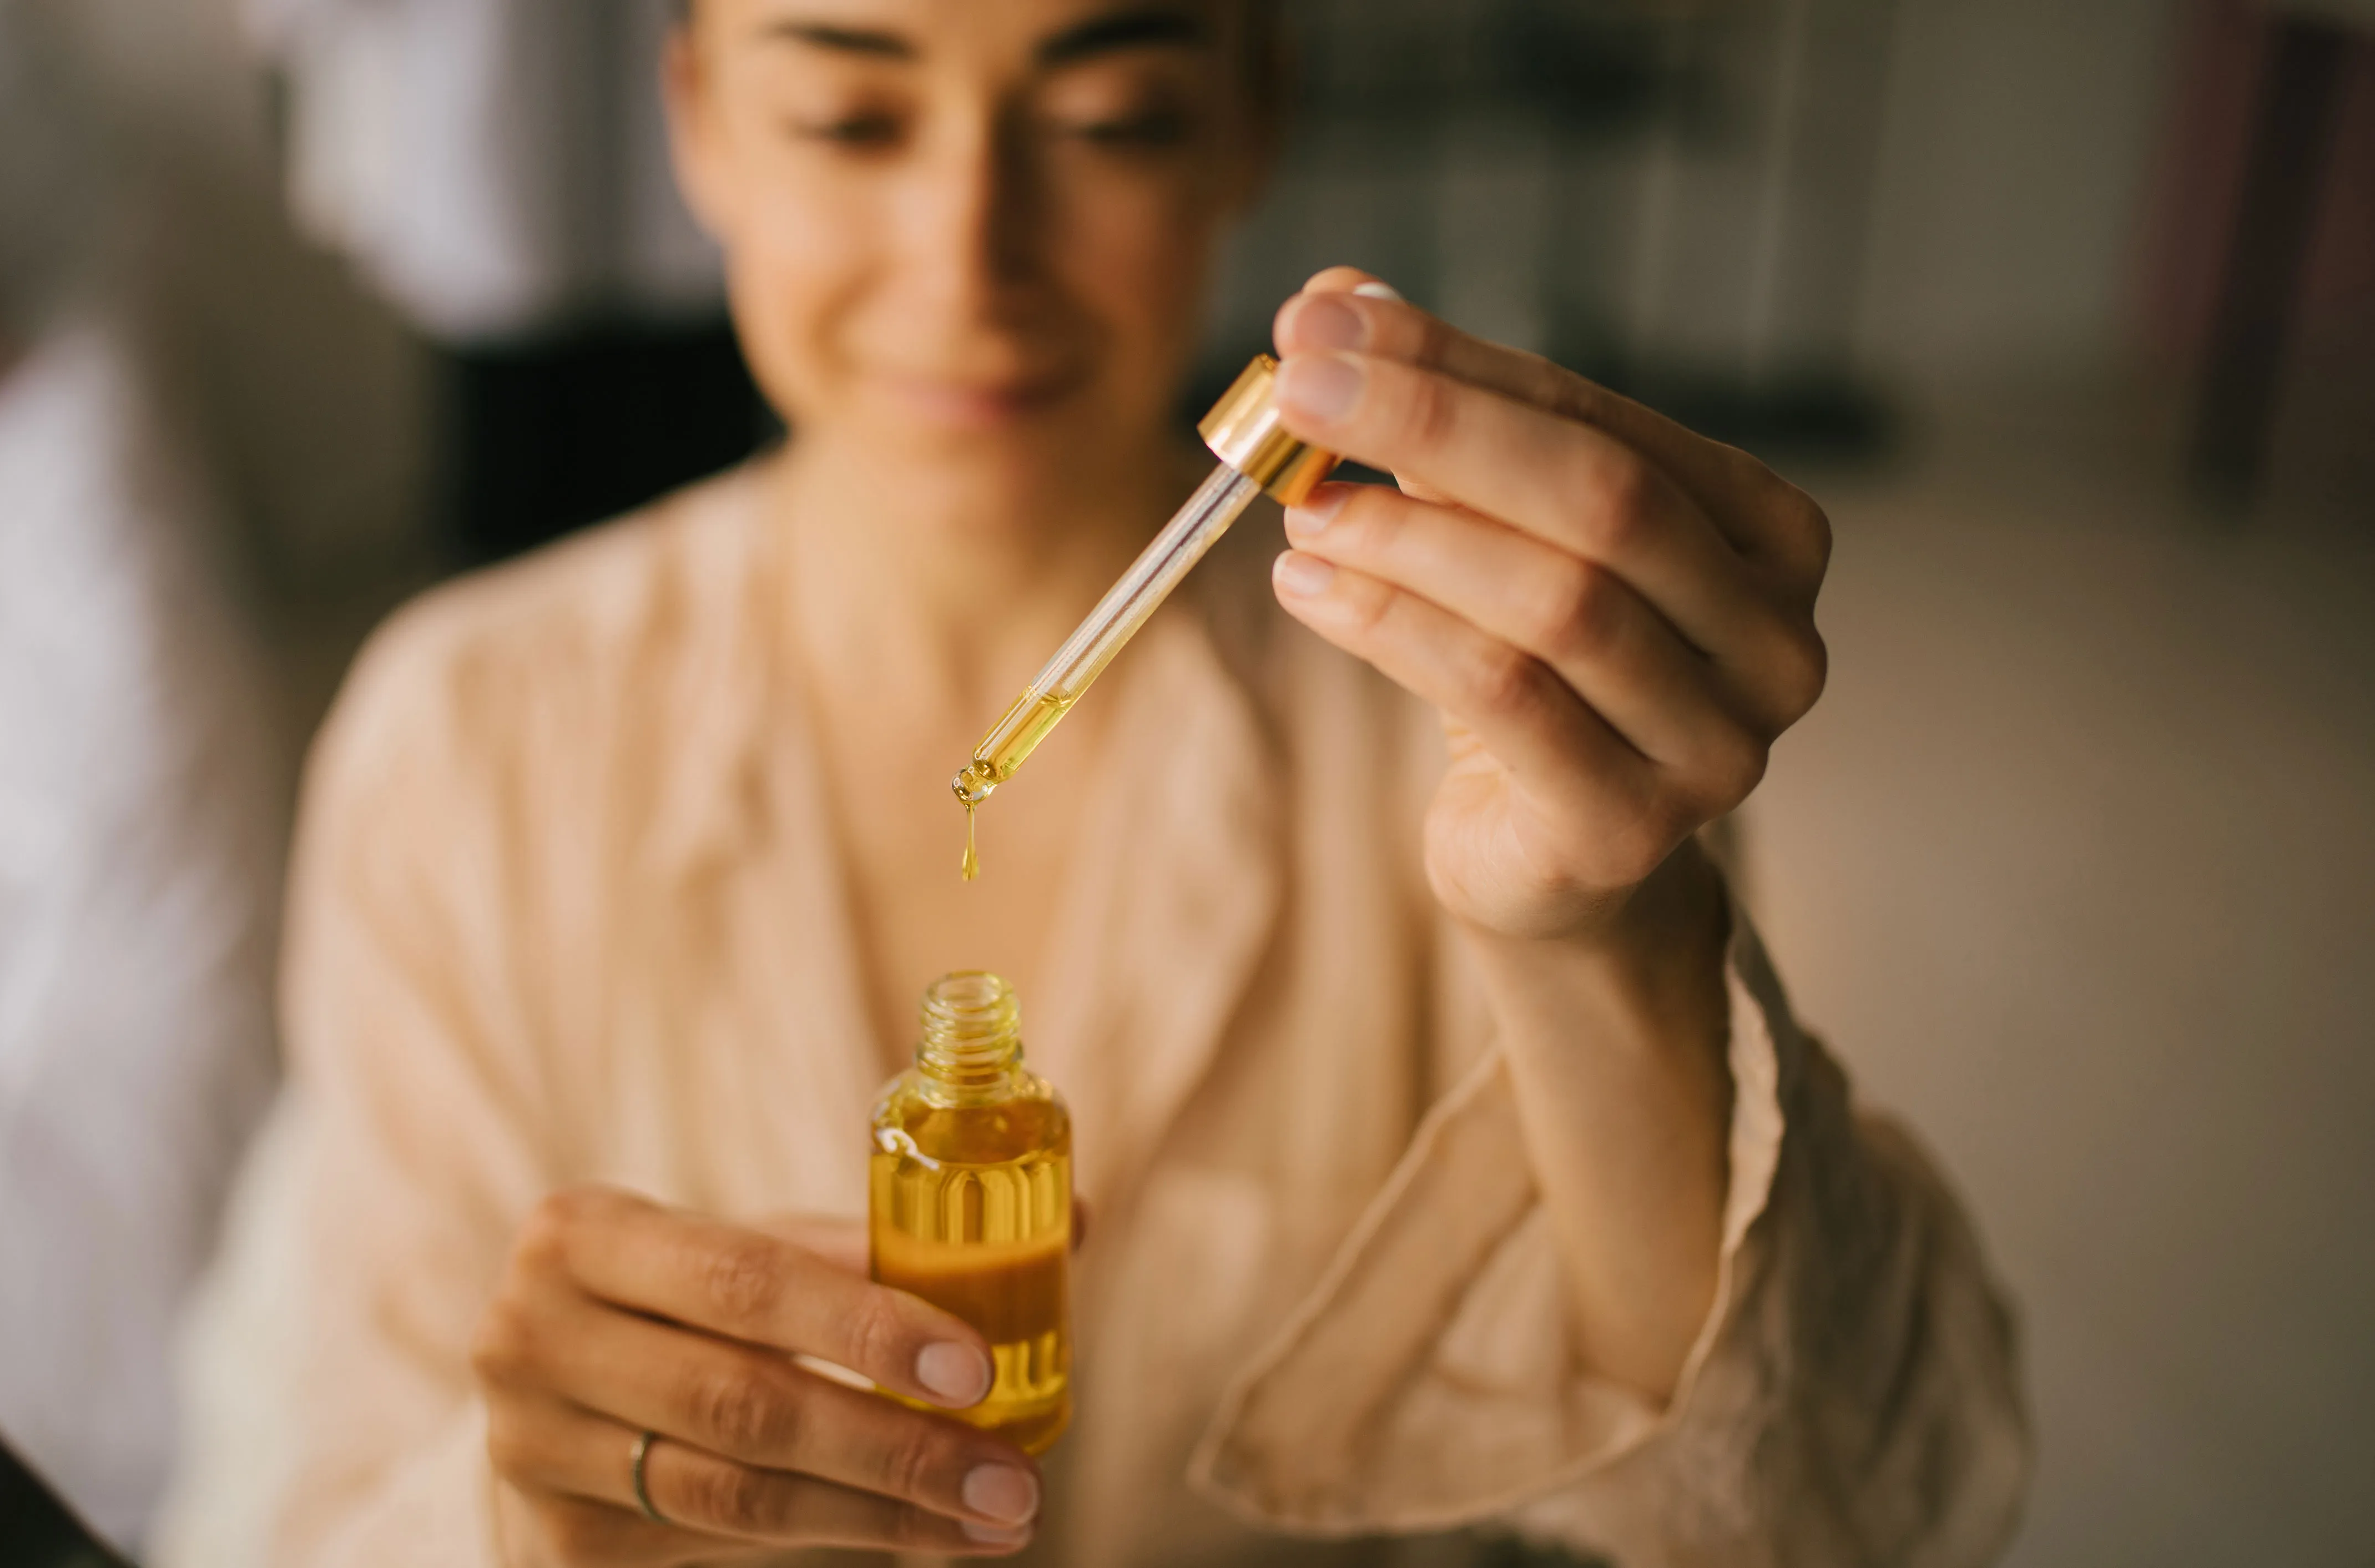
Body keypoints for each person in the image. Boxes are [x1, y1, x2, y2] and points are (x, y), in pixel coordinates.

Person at [161, 1, 2029, 1564]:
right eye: (850, 115)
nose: (968, 260)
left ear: (1249, 123)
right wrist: (518, 1519)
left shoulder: (1473, 726)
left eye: (1113, 119)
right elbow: (293, 1496)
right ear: (704, 122)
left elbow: (1816, 1515)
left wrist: (1605, 940)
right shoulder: (471, 736)